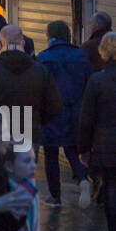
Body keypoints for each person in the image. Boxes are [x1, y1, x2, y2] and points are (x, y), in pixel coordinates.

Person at [0, 24, 63, 159]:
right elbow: (55, 106)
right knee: (25, 174)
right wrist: (37, 120)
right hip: (29, 134)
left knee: (0, 175)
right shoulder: (41, 71)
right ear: (23, 44)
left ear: (0, 44)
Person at [36, 21, 93, 206]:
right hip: (76, 111)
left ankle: (55, 196)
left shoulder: (44, 57)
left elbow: (40, 89)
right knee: (72, 151)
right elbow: (89, 83)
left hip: (51, 113)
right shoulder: (81, 56)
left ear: (50, 36)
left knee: (51, 155)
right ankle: (83, 180)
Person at [78, 30, 116, 231]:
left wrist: (83, 149)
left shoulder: (98, 80)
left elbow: (86, 119)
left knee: (111, 188)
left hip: (107, 145)